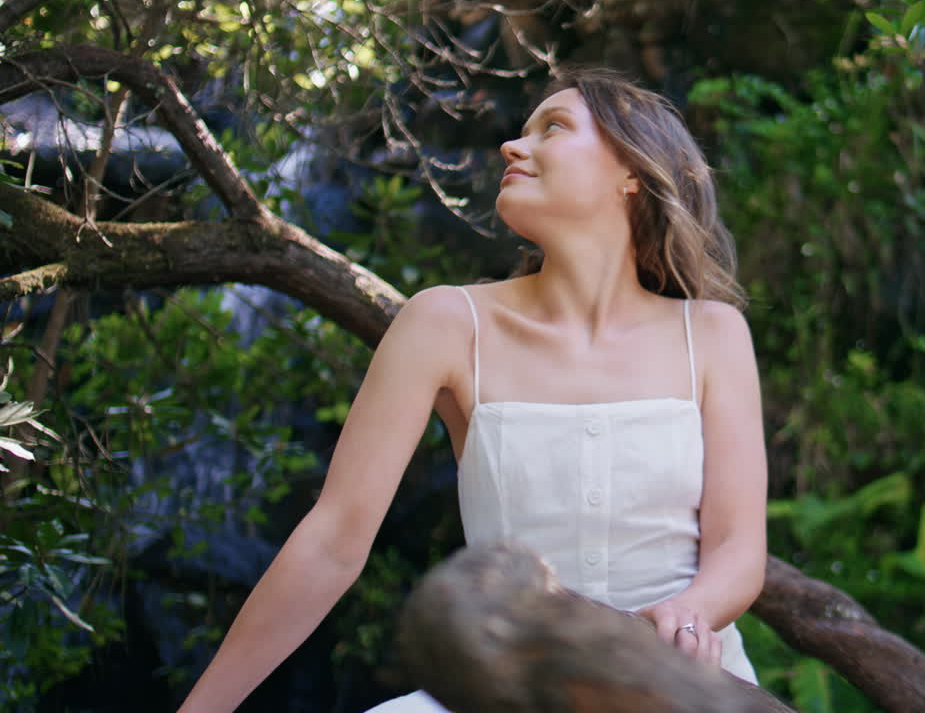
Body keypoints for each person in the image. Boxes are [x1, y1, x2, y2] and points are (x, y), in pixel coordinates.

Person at [177, 67, 768, 712]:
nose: (513, 147)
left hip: (684, 686)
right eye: (520, 133)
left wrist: (686, 618)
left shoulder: (712, 333)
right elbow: (333, 539)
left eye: (555, 128)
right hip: (506, 688)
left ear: (633, 172)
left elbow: (738, 549)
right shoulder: (444, 324)